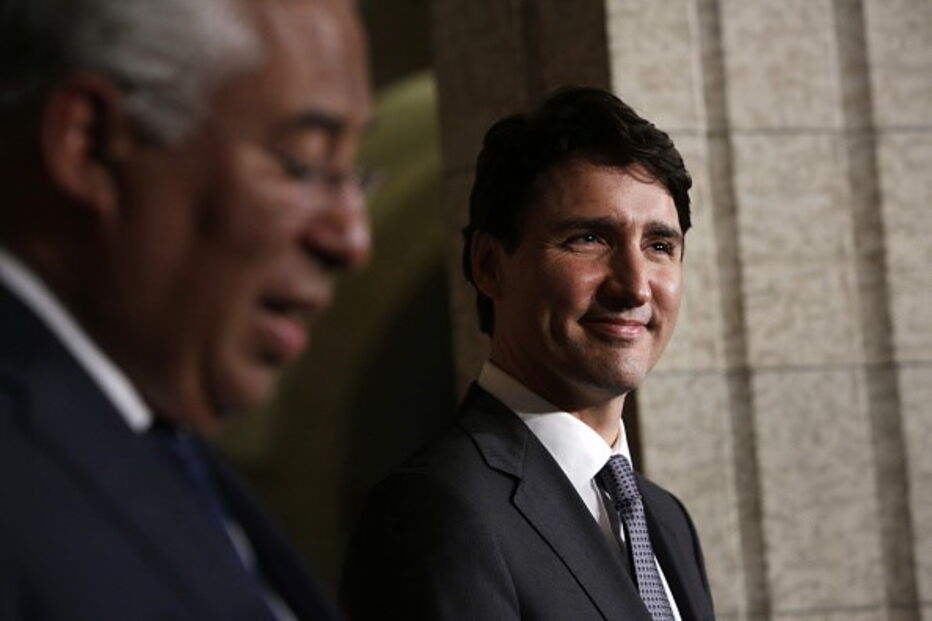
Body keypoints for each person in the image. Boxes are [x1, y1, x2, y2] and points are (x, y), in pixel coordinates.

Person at [0, 0, 371, 618]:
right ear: (90, 144)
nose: (352, 240)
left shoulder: (145, 436)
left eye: (355, 173)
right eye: (303, 163)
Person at [340, 87, 715, 620]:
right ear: (489, 265)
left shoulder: (666, 519)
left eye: (659, 246)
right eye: (589, 238)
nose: (635, 286)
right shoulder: (437, 510)